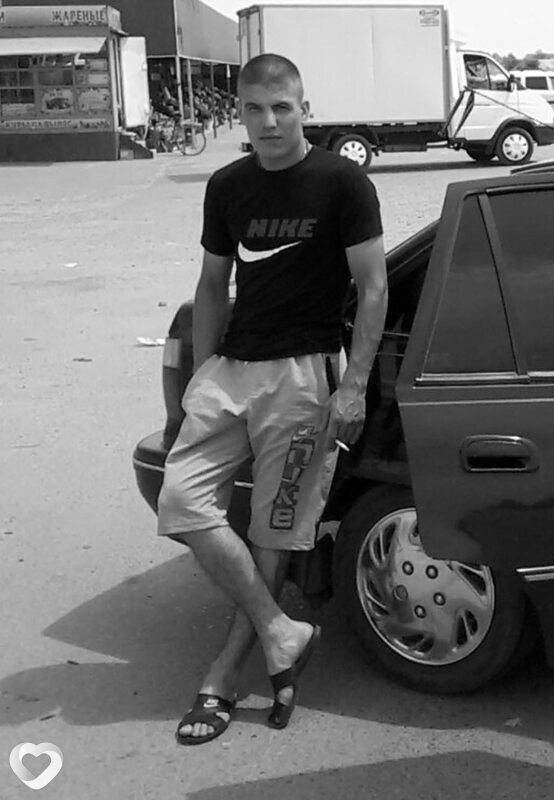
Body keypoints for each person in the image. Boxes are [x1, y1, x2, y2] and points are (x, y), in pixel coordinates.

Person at [157, 52, 388, 745]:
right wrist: (201, 374)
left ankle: (226, 672)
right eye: (254, 108)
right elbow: (211, 286)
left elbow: (373, 288)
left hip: (302, 377)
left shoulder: (342, 182)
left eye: (281, 107)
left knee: (273, 532)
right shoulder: (227, 186)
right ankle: (281, 631)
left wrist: (353, 386)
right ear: (239, 113)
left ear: (303, 109)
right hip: (232, 369)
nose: (269, 122)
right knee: (181, 501)